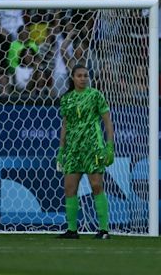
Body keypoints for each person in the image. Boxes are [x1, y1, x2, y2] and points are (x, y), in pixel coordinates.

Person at [56, 64, 115, 239]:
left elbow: (107, 122)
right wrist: (61, 149)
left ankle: (104, 229)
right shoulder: (66, 99)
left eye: (85, 75)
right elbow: (65, 124)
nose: (83, 78)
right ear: (73, 78)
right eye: (79, 75)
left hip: (93, 147)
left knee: (97, 185)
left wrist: (109, 146)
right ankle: (72, 230)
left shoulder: (96, 95)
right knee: (69, 188)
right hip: (73, 149)